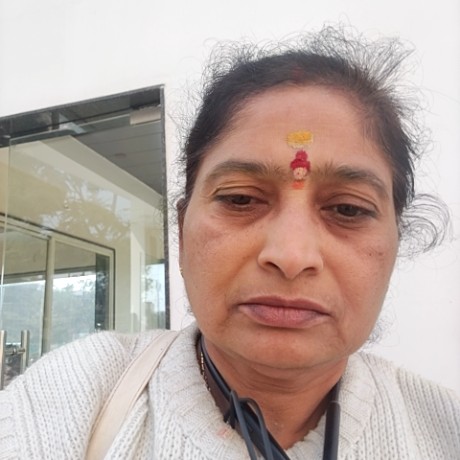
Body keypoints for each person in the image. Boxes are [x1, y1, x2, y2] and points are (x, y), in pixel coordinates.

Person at [1, 26, 459, 460]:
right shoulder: (67, 402)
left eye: (348, 209)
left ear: (395, 244)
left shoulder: (445, 427)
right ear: (181, 231)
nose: (291, 256)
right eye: (240, 199)